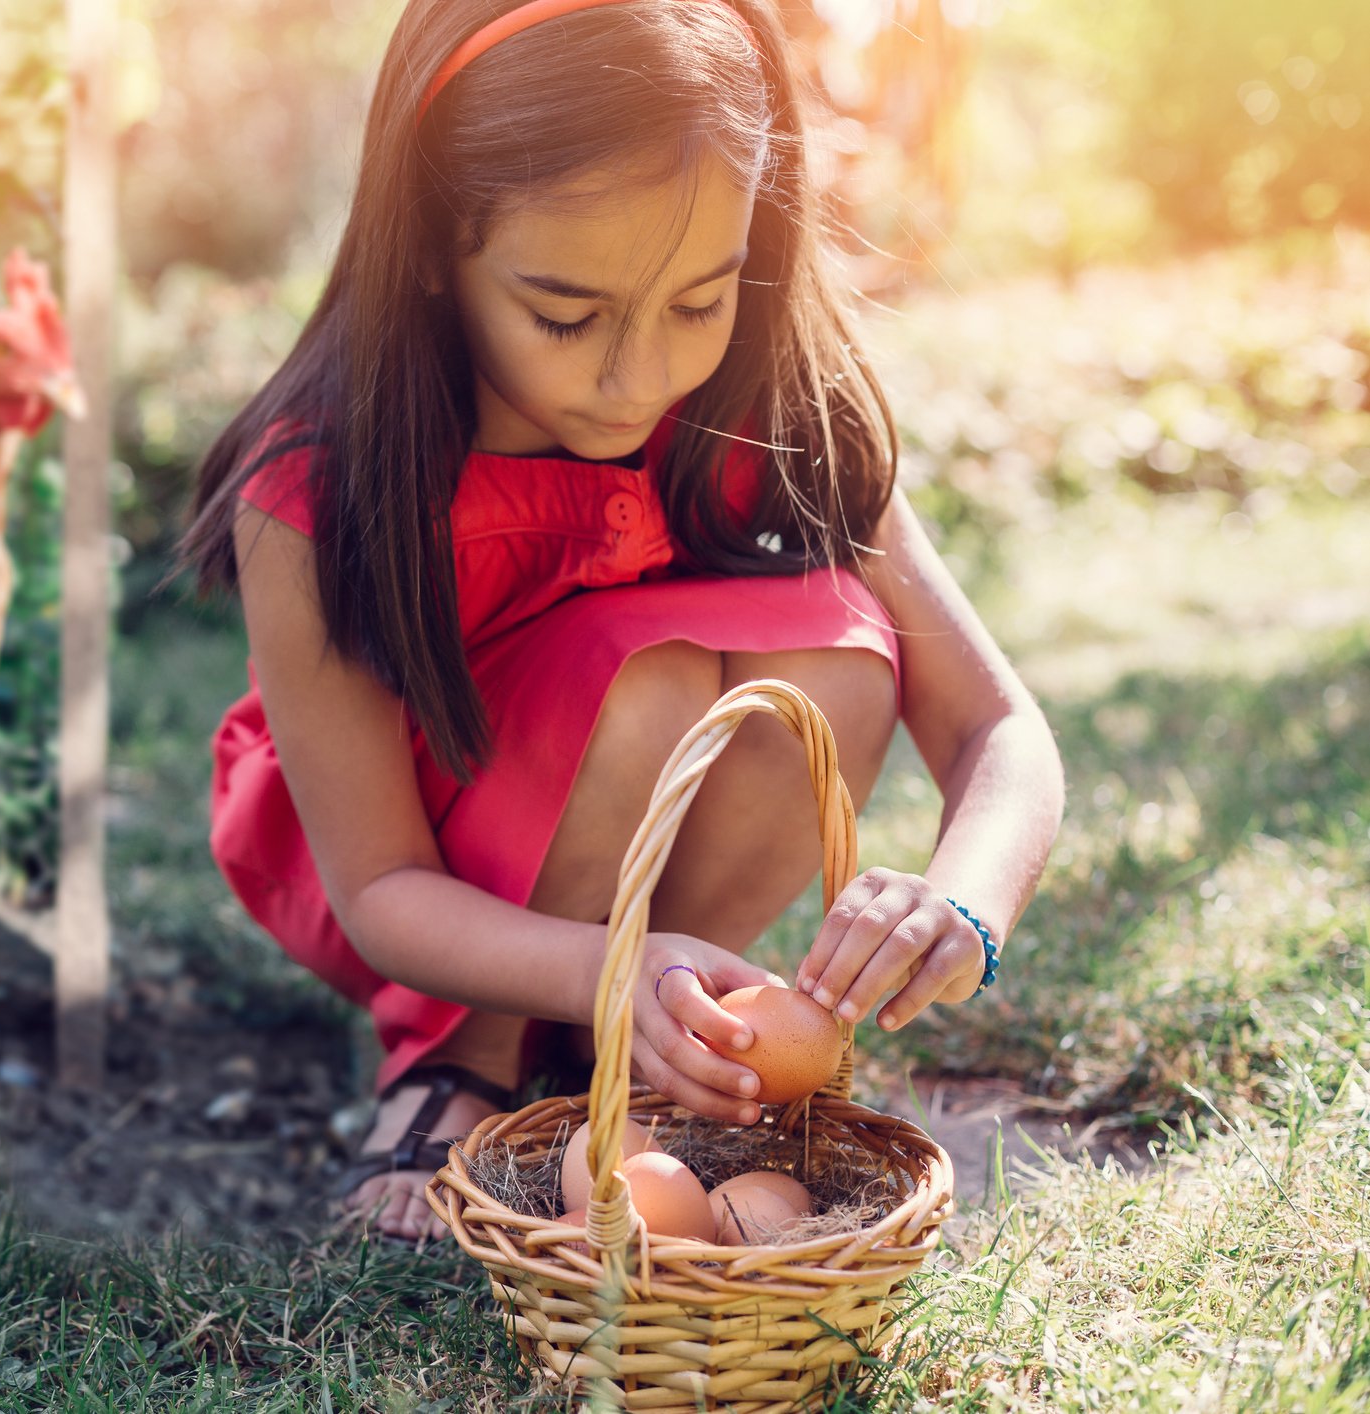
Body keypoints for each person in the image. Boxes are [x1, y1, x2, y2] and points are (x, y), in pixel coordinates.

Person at [176, 0, 1064, 1241]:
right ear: (434, 242)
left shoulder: (779, 404)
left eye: (698, 302)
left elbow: (998, 728)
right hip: (424, 876)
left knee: (831, 663)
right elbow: (380, 884)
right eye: (566, 316)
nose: (638, 377)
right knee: (644, 682)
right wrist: (606, 967)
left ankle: (660, 1044)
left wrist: (962, 903)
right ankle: (461, 1062)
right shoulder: (323, 485)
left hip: (639, 881)